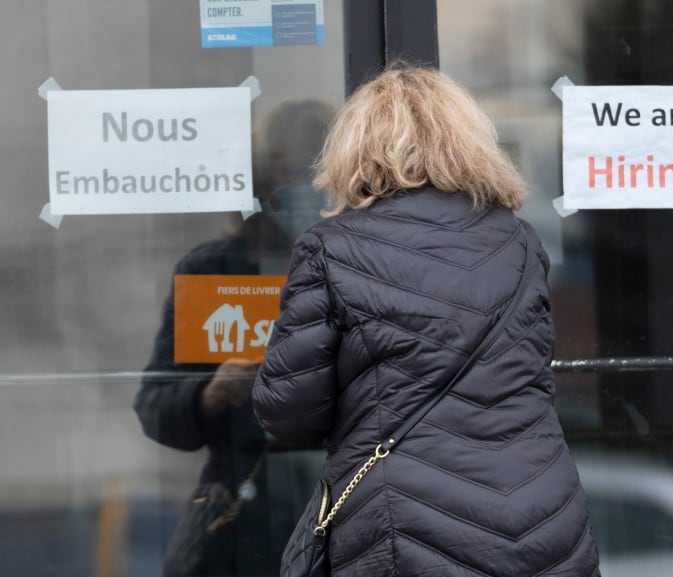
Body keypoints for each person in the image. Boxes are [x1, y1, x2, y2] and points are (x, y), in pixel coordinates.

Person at [252, 65, 601, 577]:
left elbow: (288, 410)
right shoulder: (519, 242)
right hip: (542, 511)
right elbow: (532, 378)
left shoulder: (331, 248)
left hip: (412, 526)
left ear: (356, 147)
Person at [134, 99, 336, 576]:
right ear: (260, 190)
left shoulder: (367, 265)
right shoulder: (215, 269)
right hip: (250, 508)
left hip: (349, 496)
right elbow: (154, 406)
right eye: (286, 191)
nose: (304, 205)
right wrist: (210, 394)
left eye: (318, 189)